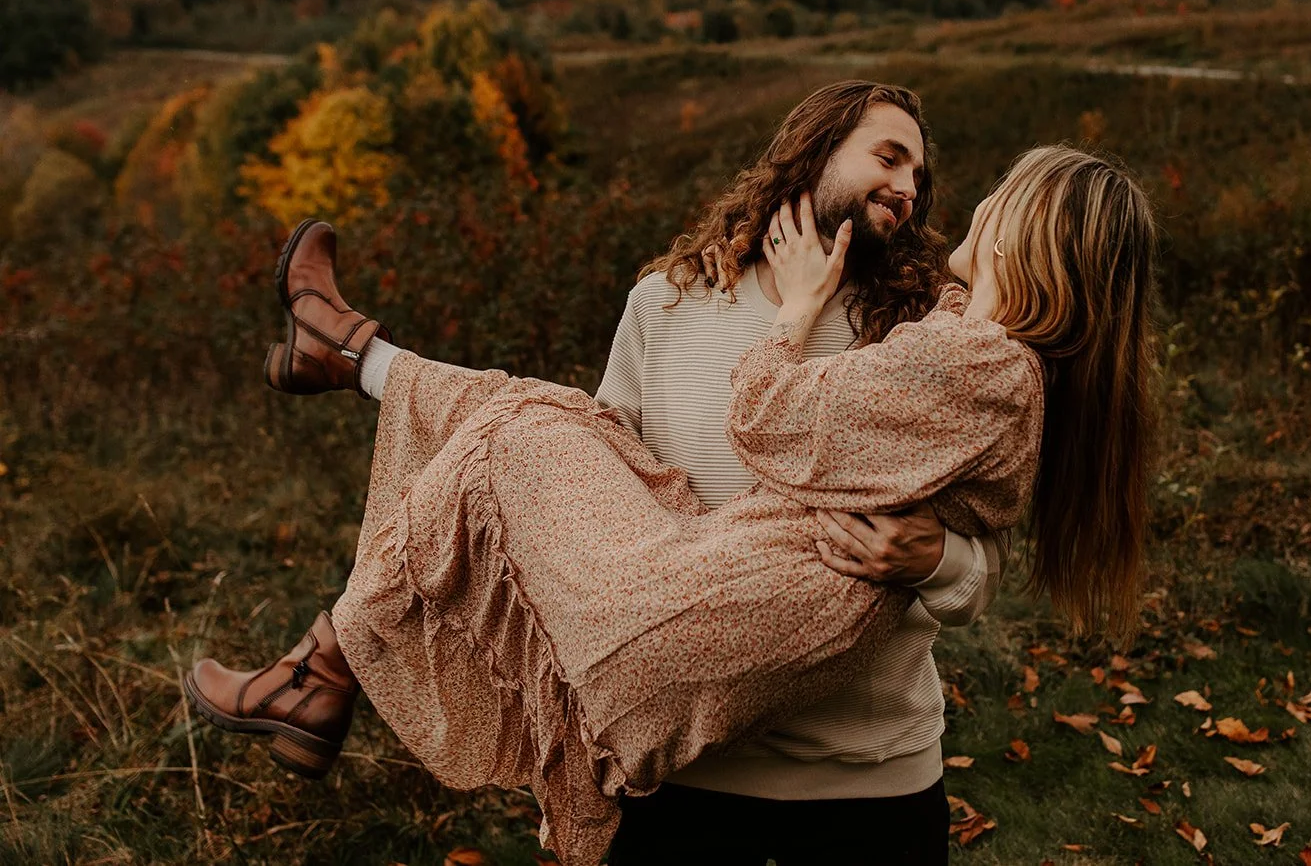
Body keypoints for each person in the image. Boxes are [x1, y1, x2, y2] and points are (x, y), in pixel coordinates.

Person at [185, 134, 1156, 866]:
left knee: (513, 433)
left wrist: (934, 554)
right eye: (889, 154)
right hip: (699, 737)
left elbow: (928, 521)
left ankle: (325, 637)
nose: (916, 187)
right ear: (808, 157)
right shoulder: (665, 302)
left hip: (857, 766)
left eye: (925, 174)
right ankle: (346, 351)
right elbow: (604, 455)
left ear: (1024, 234)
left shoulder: (932, 335)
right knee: (534, 416)